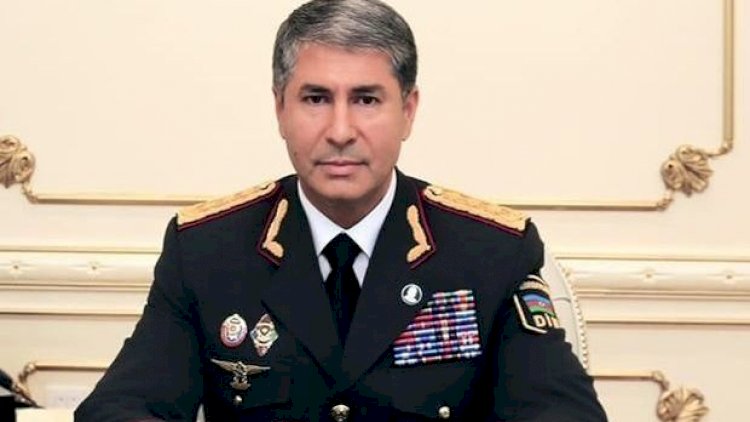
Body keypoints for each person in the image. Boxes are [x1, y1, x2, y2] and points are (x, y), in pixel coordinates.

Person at [75, 0, 607, 420]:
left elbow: (562, 414)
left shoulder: (491, 253)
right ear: (280, 108)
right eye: (315, 99)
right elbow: (121, 406)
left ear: (408, 111)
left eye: (366, 99)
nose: (340, 131)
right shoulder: (207, 250)